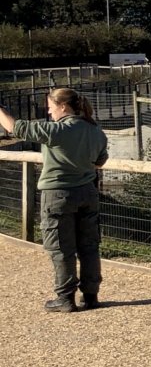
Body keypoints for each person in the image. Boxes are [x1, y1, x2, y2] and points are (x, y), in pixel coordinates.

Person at [0, 88, 109, 312]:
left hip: (58, 194)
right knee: (89, 246)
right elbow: (100, 162)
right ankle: (91, 296)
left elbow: (15, 127)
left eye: (50, 107)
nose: (49, 113)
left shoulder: (57, 131)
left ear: (63, 107)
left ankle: (65, 298)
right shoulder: (95, 130)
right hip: (87, 192)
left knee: (61, 247)